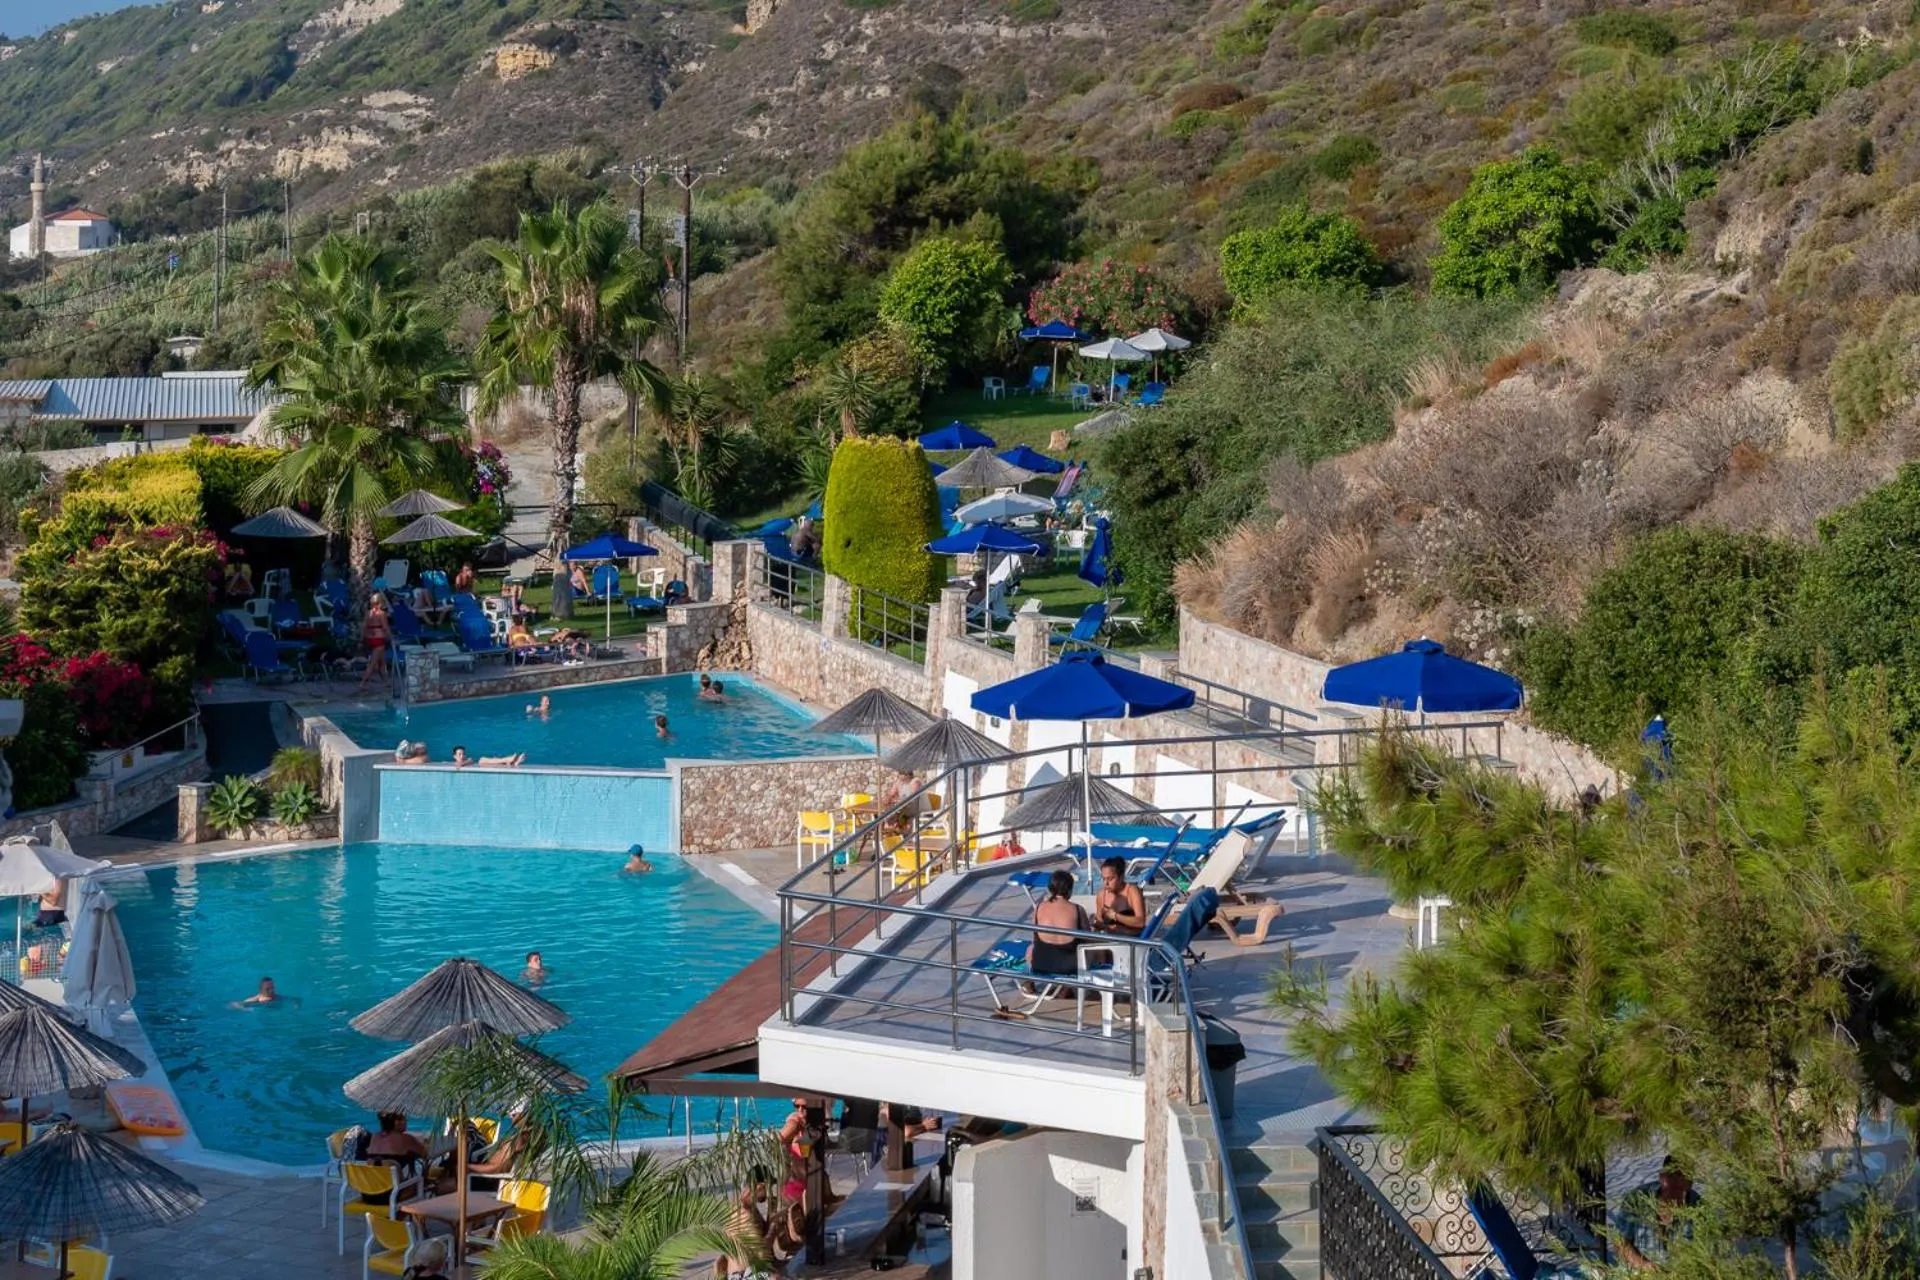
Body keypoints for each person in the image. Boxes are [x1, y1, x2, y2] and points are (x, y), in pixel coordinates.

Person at [1029, 869, 1088, 980]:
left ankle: (1029, 982)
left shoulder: (1039, 907)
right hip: (1069, 967)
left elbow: (1034, 937)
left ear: (1050, 888)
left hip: (1041, 965)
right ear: (1070, 889)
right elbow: (1087, 938)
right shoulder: (1077, 909)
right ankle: (1067, 988)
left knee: (1030, 948)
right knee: (1096, 949)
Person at [1092, 856, 1147, 936]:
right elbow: (1099, 922)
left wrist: (1116, 916)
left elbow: (1140, 922)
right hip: (1110, 941)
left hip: (1131, 942)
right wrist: (1095, 924)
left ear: (1121, 877)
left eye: (1110, 879)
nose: (1106, 883)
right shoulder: (1102, 895)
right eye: (1103, 879)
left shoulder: (1132, 892)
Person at [359, 597, 391, 692]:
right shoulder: (381, 613)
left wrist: (361, 640)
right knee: (373, 663)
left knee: (381, 661)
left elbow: (364, 627)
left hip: (370, 638)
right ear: (380, 603)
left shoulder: (368, 613)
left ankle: (386, 681)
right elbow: (385, 627)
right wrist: (391, 637)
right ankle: (363, 683)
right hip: (379, 638)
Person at [451, 746, 524, 768]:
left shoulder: (468, 760)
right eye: (459, 754)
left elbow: (464, 763)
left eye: (463, 754)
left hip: (482, 764)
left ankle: (512, 762)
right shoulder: (466, 761)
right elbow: (458, 765)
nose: (462, 756)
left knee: (491, 761)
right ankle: (510, 761)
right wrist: (468, 761)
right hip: (481, 764)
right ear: (454, 756)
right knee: (482, 760)